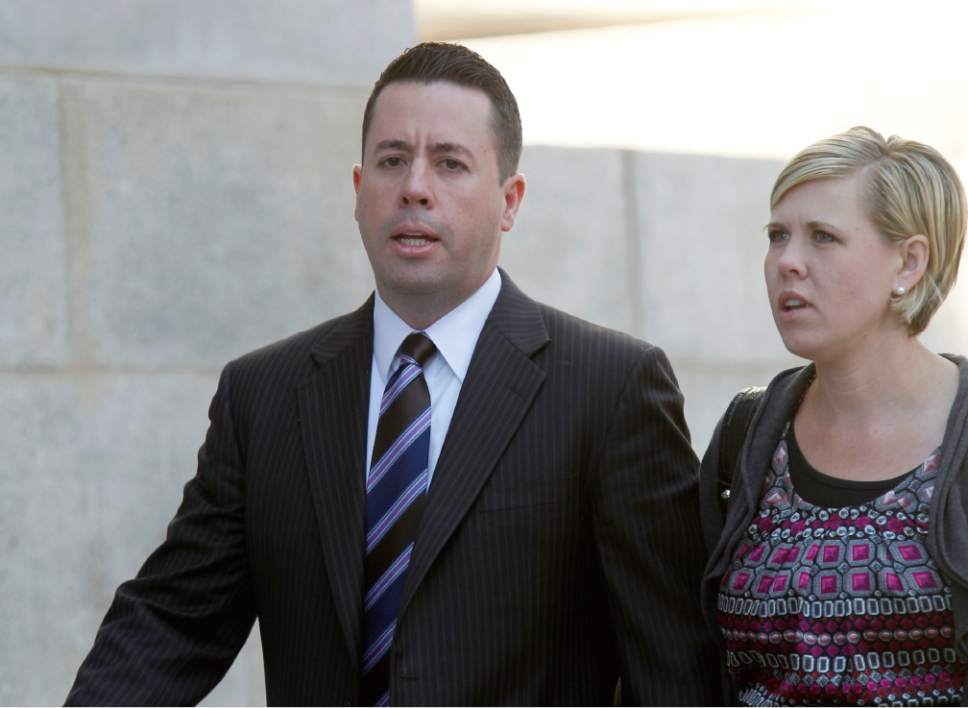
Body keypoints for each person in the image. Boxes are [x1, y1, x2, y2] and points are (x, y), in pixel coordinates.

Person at [67, 42, 718, 706]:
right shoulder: (262, 397)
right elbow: (175, 621)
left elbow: (671, 668)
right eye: (392, 160)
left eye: (450, 163)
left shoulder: (611, 389)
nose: (414, 186)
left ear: (510, 200)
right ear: (358, 192)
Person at [699, 126, 968, 705]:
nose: (787, 263)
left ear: (909, 262)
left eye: (823, 237)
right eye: (777, 236)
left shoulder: (960, 433)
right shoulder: (747, 434)